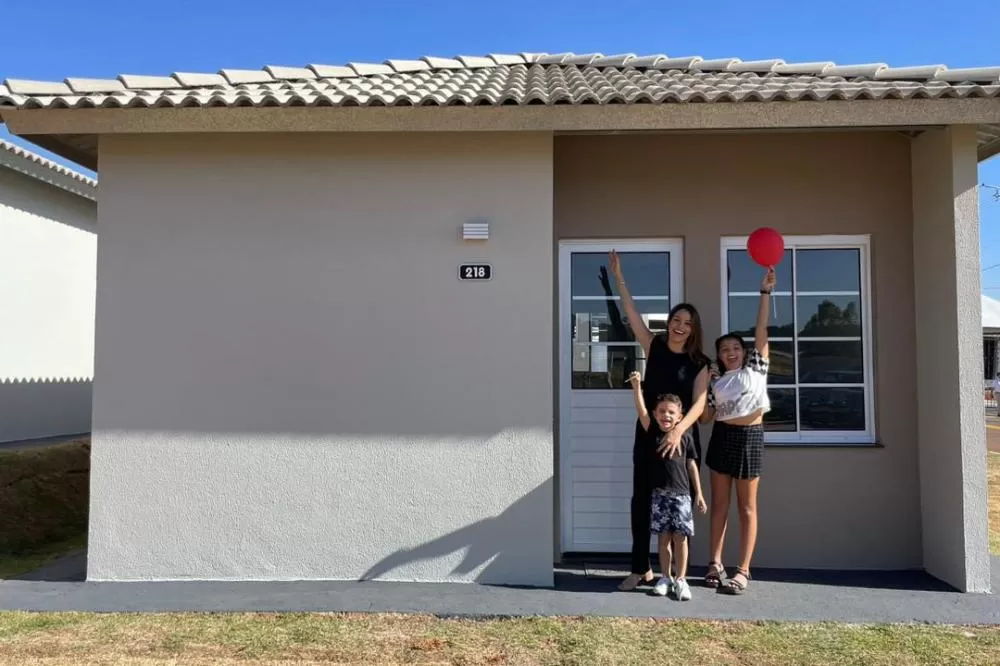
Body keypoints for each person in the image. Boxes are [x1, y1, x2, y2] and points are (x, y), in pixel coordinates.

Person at [608, 250, 711, 592]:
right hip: (649, 433)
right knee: (642, 499)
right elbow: (632, 314)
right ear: (669, 321)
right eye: (676, 320)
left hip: (681, 438)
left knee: (679, 503)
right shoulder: (654, 346)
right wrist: (619, 278)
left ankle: (678, 577)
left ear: (693, 329)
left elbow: (699, 404)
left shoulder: (699, 362)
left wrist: (680, 429)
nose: (680, 326)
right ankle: (642, 569)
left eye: (687, 323)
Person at [700, 267, 776, 596]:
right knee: (719, 505)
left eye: (735, 348)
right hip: (722, 437)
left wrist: (765, 293)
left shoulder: (756, 367)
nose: (730, 352)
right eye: (723, 349)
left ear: (744, 352)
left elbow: (762, 330)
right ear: (718, 355)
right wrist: (705, 383)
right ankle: (714, 563)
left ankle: (743, 570)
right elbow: (705, 418)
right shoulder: (717, 382)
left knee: (747, 508)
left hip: (750, 439)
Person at [628, 372, 706, 600]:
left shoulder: (685, 438)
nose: (666, 416)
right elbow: (641, 411)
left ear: (680, 417)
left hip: (681, 495)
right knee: (663, 539)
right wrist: (636, 388)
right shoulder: (652, 432)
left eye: (671, 412)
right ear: (655, 414)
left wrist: (699, 494)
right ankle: (665, 577)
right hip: (659, 496)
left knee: (681, 539)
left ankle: (681, 579)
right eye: (661, 411)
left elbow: (692, 465)